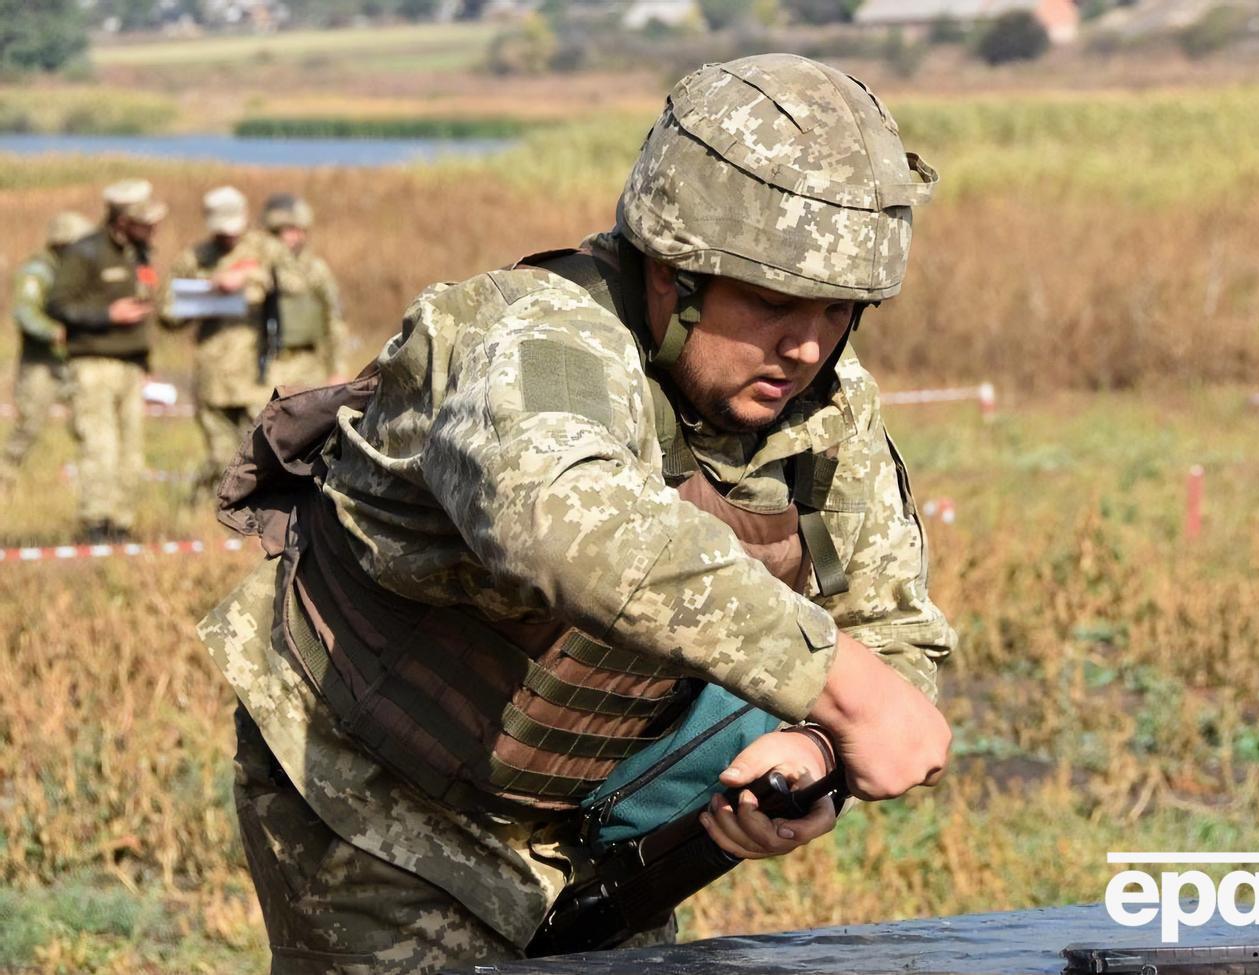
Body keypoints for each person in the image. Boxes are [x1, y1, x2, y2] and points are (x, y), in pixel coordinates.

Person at [199, 54, 955, 974]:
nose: (805, 344)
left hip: (590, 831)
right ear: (674, 273)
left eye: (839, 310)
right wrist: (841, 687)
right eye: (772, 302)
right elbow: (558, 516)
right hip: (370, 784)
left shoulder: (829, 409)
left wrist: (813, 745)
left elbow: (897, 635)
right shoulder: (536, 337)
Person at [46, 179, 166, 543]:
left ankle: (121, 525)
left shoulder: (140, 253)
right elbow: (57, 304)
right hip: (93, 364)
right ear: (122, 220)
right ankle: (95, 525)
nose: (152, 227)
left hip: (130, 366)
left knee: (131, 451)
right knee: (100, 447)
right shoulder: (85, 251)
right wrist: (107, 315)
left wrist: (146, 360)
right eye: (144, 221)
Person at [162, 186, 282, 495]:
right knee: (220, 456)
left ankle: (248, 514)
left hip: (258, 370)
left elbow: (296, 282)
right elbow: (166, 313)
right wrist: (204, 291)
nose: (229, 237)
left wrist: (250, 277)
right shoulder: (196, 258)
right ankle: (201, 503)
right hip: (213, 372)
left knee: (263, 450)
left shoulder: (267, 250)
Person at [0, 210, 95, 495]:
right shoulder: (37, 271)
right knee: (28, 427)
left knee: (88, 425)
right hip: (40, 364)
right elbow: (24, 313)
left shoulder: (77, 273)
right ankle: (4, 484)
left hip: (74, 362)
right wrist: (55, 331)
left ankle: (89, 490)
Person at [259, 193, 350, 391]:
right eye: (289, 230)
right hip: (269, 364)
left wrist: (337, 370)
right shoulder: (261, 266)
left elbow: (334, 320)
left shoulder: (316, 270)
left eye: (300, 230)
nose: (296, 236)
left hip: (309, 367)